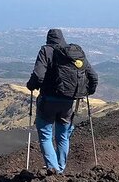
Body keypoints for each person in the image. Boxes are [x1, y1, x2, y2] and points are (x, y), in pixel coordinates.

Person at [26, 28, 98, 174]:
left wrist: (31, 85)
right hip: (68, 101)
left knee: (45, 134)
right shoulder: (73, 53)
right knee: (63, 135)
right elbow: (93, 76)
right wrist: (88, 91)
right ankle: (60, 168)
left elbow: (38, 76)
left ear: (48, 39)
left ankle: (53, 168)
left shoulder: (46, 51)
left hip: (48, 100)